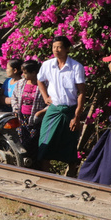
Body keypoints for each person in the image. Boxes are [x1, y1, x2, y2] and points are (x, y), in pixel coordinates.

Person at [37, 36, 88, 176]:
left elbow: (82, 92)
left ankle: (70, 178)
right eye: (54, 47)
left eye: (59, 47)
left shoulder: (76, 67)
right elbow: (39, 80)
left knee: (69, 145)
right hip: (53, 109)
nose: (56, 50)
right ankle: (46, 176)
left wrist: (76, 116)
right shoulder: (47, 65)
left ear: (67, 49)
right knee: (45, 142)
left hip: (70, 110)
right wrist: (45, 96)